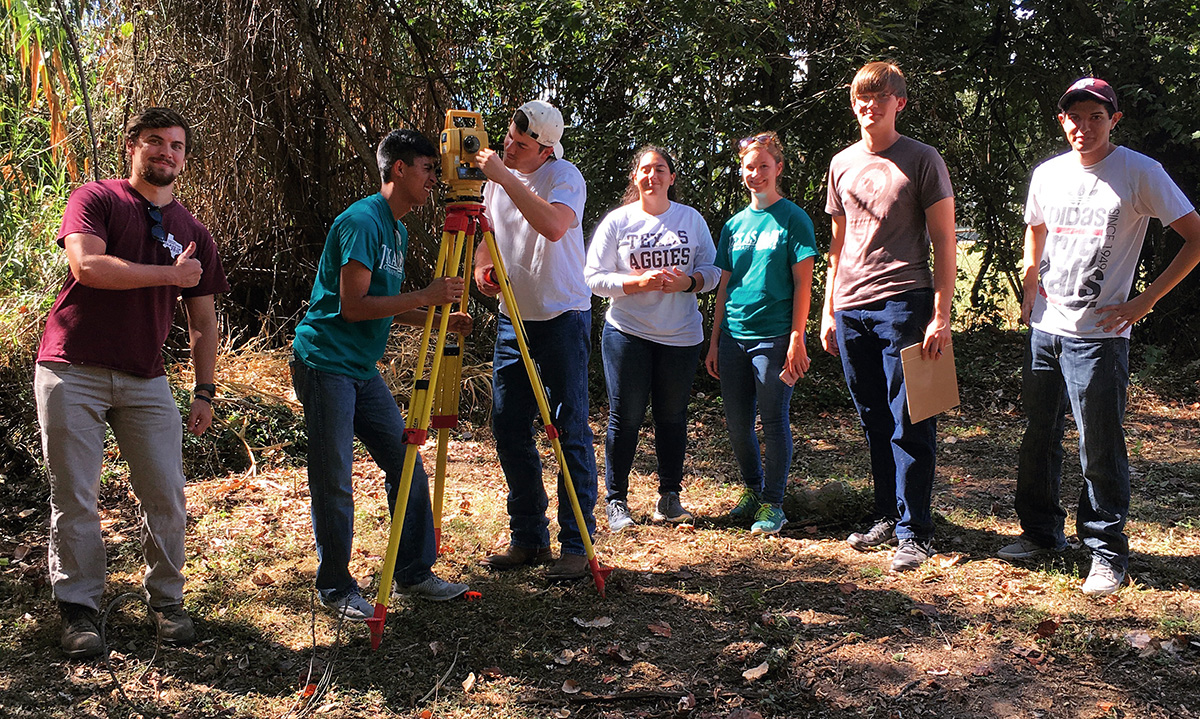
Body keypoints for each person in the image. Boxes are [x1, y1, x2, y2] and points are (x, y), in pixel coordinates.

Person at [34, 108, 228, 657]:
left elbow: (203, 321)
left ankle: (166, 601)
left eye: (177, 144)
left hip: (146, 379)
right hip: (72, 368)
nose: (166, 151)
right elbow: (87, 267)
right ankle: (79, 612)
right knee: (76, 496)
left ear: (185, 158)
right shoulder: (96, 199)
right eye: (154, 142)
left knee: (166, 495)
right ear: (131, 148)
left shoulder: (193, 232)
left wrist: (205, 390)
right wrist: (170, 274)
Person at [998, 77, 1200, 596]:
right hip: (1047, 326)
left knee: (1099, 444)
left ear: (1114, 120)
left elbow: (1195, 238)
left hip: (1101, 336)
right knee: (1039, 435)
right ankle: (1041, 533)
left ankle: (1106, 551)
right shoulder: (1048, 173)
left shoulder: (1138, 171)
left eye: (1095, 116)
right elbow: (1036, 227)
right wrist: (1028, 283)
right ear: (1061, 120)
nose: (1083, 127)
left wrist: (1144, 301)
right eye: (1074, 116)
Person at [291, 129, 471, 621]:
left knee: (406, 460)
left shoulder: (398, 228)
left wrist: (436, 317)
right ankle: (335, 587)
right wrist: (425, 298)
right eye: (428, 168)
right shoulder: (363, 221)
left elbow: (382, 306)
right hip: (324, 362)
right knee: (335, 478)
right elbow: (352, 307)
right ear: (398, 169)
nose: (436, 177)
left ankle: (414, 572)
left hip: (360, 369)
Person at [821, 61, 957, 572]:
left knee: (911, 417)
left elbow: (945, 242)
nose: (870, 104)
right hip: (852, 306)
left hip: (905, 302)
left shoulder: (923, 159)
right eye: (862, 95)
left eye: (882, 96)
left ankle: (915, 530)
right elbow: (838, 245)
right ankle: (886, 513)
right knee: (874, 416)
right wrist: (829, 309)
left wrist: (940, 314)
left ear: (899, 103)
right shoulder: (841, 163)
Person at [472, 100, 597, 580]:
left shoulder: (566, 177)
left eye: (521, 145)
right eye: (509, 137)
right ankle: (528, 537)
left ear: (545, 150)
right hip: (513, 319)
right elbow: (490, 238)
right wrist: (484, 269)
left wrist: (505, 176)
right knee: (507, 425)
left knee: (569, 430)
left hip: (562, 316)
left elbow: (553, 226)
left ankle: (576, 544)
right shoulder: (497, 179)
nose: (509, 147)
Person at [584, 147, 720, 532]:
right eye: (645, 169)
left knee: (672, 417)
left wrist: (688, 282)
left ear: (671, 178)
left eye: (660, 169)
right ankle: (616, 500)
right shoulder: (619, 221)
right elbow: (593, 278)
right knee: (624, 418)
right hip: (628, 333)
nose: (652, 176)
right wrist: (634, 284)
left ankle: (669, 497)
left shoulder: (690, 220)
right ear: (635, 178)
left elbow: (713, 271)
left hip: (681, 336)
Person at [704, 131, 818, 536]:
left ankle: (774, 504)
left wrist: (797, 336)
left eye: (763, 166)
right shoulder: (734, 224)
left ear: (778, 168)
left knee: (773, 419)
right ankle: (752, 490)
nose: (756, 174)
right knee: (737, 422)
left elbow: (803, 283)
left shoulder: (793, 218)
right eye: (749, 167)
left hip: (774, 336)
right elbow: (724, 284)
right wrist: (716, 338)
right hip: (734, 335)